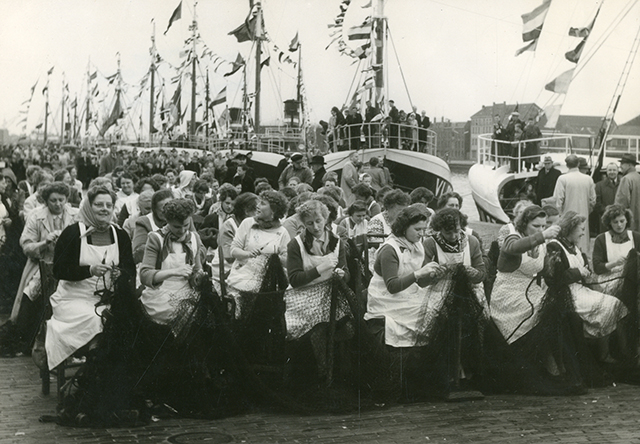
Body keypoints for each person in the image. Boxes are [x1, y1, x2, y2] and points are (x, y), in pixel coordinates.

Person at [45, 186, 135, 371]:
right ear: (88, 206)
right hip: (74, 297)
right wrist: (89, 270)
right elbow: (59, 270)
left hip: (108, 297)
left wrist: (121, 273)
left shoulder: (120, 235)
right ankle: (95, 368)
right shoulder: (73, 233)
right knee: (97, 319)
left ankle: (109, 370)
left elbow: (130, 269)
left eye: (109, 205)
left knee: (126, 318)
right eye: (99, 204)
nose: (105, 208)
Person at [364, 206, 443, 401]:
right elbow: (392, 286)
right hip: (386, 299)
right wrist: (419, 274)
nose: (421, 234)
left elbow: (419, 281)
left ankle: (422, 378)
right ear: (404, 227)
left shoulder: (417, 244)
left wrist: (432, 277)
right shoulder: (389, 249)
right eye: (417, 229)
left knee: (438, 307)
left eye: (424, 230)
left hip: (407, 293)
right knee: (427, 313)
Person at [545, 211, 628, 364]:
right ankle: (605, 355)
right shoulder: (554, 246)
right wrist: (578, 272)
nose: (583, 233)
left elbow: (588, 272)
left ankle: (620, 352)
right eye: (581, 229)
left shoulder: (574, 247)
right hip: (566, 293)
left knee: (615, 303)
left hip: (581, 290)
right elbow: (554, 278)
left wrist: (588, 274)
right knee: (608, 306)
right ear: (570, 228)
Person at [5, 182, 78, 354]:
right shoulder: (36, 216)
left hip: (68, 264)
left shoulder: (75, 215)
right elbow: (26, 245)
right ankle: (30, 339)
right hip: (41, 263)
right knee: (32, 293)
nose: (58, 204)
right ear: (46, 201)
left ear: (66, 199)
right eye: (53, 200)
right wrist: (45, 242)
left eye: (61, 200)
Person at [285, 200, 351, 380]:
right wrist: (320, 269)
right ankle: (322, 375)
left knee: (349, 327)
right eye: (309, 223)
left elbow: (347, 274)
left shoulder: (337, 242)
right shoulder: (296, 245)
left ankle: (340, 373)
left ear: (326, 218)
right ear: (303, 224)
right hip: (303, 296)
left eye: (319, 221)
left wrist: (340, 273)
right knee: (317, 331)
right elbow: (295, 279)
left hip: (330, 293)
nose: (315, 226)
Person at [139, 199, 205, 325]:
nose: (182, 230)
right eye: (176, 226)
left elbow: (196, 269)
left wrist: (199, 277)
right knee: (174, 312)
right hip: (160, 294)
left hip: (187, 291)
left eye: (186, 225)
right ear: (167, 221)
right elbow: (145, 274)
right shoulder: (156, 238)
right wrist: (174, 272)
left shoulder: (194, 238)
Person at [227, 190, 290, 318]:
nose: (257, 206)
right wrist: (247, 254)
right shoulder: (248, 223)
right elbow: (233, 250)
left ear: (273, 211)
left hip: (268, 282)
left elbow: (288, 261)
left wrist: (274, 258)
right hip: (243, 275)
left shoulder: (282, 232)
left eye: (263, 203)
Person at [210, 192, 258, 295]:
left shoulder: (252, 225)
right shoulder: (229, 226)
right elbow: (229, 256)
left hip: (244, 268)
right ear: (246, 211)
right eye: (256, 211)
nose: (259, 214)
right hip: (226, 273)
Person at [592, 205, 640, 294]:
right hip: (610, 281)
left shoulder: (636, 237)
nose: (619, 225)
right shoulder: (601, 239)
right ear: (609, 222)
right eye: (615, 222)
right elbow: (597, 268)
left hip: (632, 280)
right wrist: (614, 263)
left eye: (622, 221)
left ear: (627, 220)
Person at [553, 154, 596, 252]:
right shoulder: (588, 179)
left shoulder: (562, 178)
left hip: (567, 217)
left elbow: (558, 200)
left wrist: (560, 216)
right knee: (583, 243)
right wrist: (587, 211)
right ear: (578, 163)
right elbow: (593, 201)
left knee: (568, 243)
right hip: (584, 216)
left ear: (567, 165)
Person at [132, 189, 174, 263]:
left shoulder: (182, 218)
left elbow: (198, 246)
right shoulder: (144, 222)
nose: (168, 214)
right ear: (154, 210)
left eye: (171, 210)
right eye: (163, 211)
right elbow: (138, 253)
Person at [615, 153, 640, 233]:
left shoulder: (626, 179)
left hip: (629, 223)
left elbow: (621, 203)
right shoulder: (638, 177)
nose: (620, 166)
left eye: (622, 164)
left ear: (629, 165)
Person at [594, 163, 620, 233]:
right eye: (610, 170)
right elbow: (597, 203)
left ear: (618, 171)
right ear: (606, 171)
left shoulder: (622, 184)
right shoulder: (599, 185)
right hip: (605, 218)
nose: (612, 172)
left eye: (614, 170)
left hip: (620, 218)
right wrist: (608, 212)